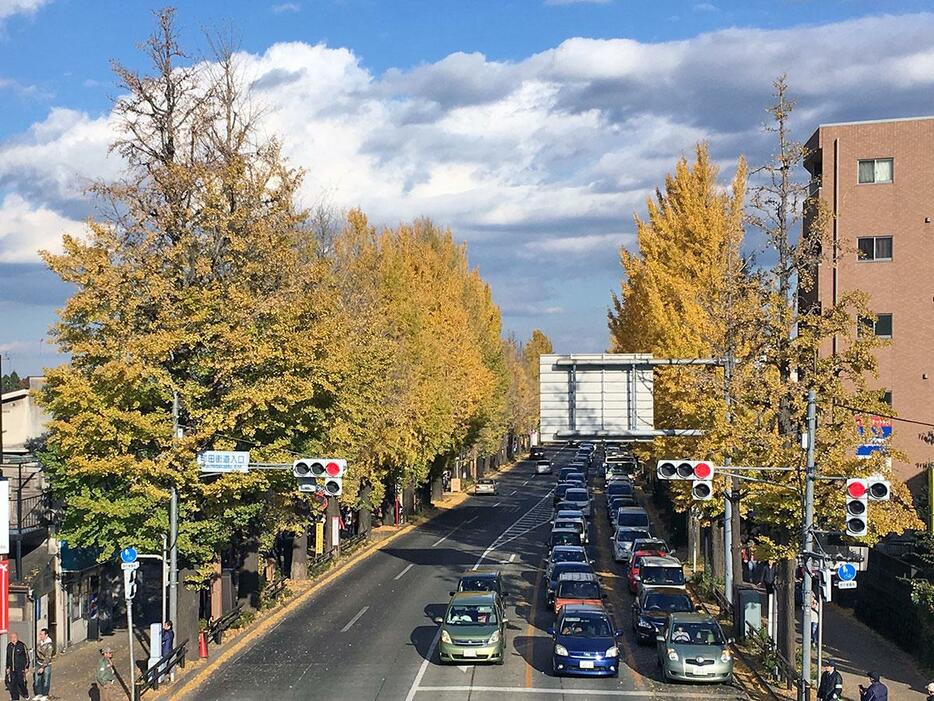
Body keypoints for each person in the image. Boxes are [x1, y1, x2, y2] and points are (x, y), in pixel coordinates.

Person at [5, 632, 29, 700]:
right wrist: (7, 667)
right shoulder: (9, 646)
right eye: (11, 637)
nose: (13, 639)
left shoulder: (22, 645)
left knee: (21, 683)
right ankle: (15, 698)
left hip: (20, 668)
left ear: (17, 637)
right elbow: (8, 657)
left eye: (14, 637)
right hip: (12, 668)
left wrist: (26, 667)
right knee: (12, 684)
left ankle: (25, 693)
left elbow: (27, 657)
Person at [33, 628, 53, 701]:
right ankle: (39, 693)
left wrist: (43, 667)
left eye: (41, 634)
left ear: (46, 635)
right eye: (40, 634)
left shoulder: (49, 645)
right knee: (37, 679)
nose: (40, 635)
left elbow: (48, 657)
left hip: (46, 664)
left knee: (46, 679)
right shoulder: (39, 642)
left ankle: (45, 694)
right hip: (38, 662)